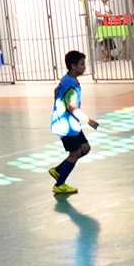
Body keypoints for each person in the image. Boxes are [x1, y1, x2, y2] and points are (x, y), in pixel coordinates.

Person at [49, 51, 99, 195]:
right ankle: (59, 184)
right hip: (65, 126)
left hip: (72, 124)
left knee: (85, 148)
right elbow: (72, 108)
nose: (84, 67)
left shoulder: (68, 79)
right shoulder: (72, 86)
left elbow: (56, 91)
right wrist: (89, 121)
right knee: (75, 152)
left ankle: (59, 170)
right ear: (73, 66)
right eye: (82, 64)